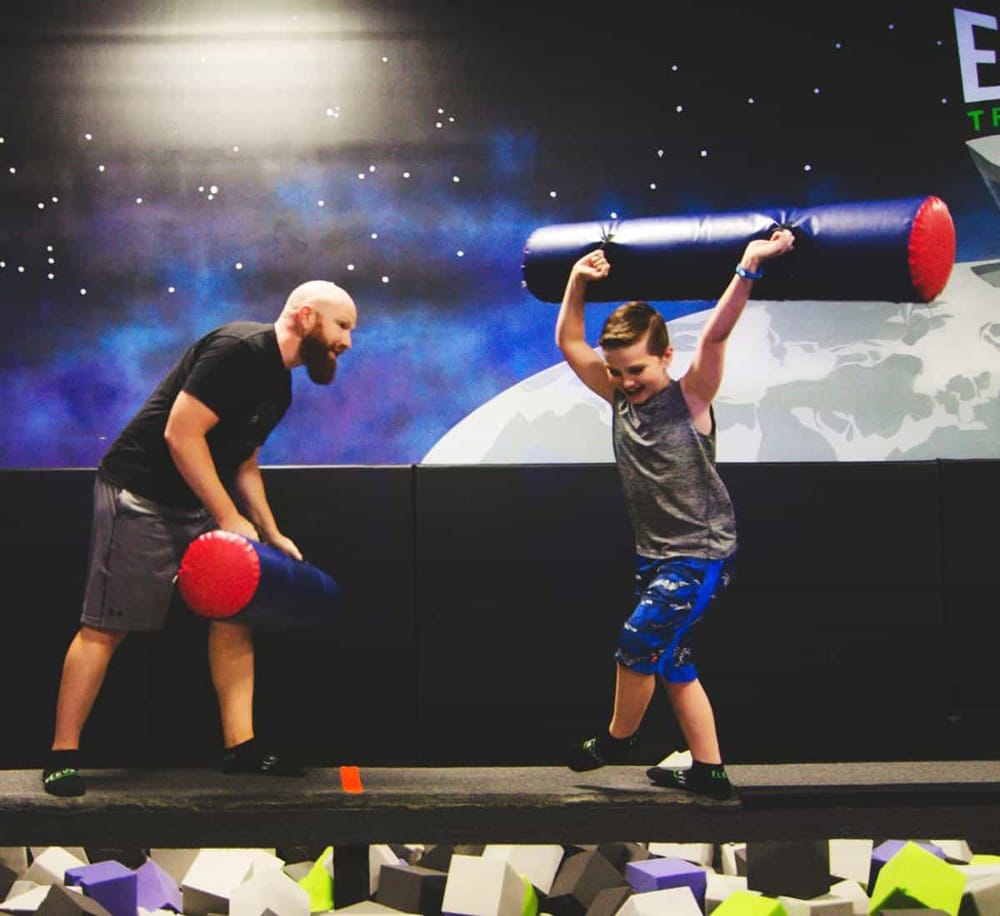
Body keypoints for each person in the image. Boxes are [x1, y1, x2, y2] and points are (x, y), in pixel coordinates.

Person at [41, 280, 358, 797]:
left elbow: (244, 464)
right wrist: (228, 517)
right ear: (306, 316)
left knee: (236, 615)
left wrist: (271, 531)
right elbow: (180, 433)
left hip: (196, 501)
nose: (347, 341)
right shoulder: (237, 350)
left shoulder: (279, 387)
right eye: (342, 326)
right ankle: (62, 755)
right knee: (105, 627)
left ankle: (241, 748)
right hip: (140, 494)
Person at [555, 228, 795, 799]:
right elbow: (570, 341)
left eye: (636, 370)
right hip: (656, 557)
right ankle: (709, 770)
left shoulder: (690, 398)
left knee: (637, 642)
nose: (625, 382)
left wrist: (749, 265)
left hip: (699, 554)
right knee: (672, 661)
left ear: (665, 356)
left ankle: (619, 740)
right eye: (616, 371)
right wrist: (576, 281)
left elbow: (716, 335)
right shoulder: (619, 397)